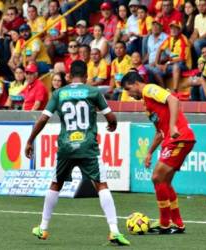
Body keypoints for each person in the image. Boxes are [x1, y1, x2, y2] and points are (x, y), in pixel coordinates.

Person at [26, 60, 130, 246]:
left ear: (68, 76)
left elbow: (43, 118)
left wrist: (30, 140)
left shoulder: (59, 93)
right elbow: (111, 117)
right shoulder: (93, 92)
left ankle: (43, 227)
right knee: (102, 186)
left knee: (55, 184)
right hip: (87, 146)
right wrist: (112, 125)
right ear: (86, 76)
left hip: (66, 146)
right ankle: (114, 230)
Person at [121, 71, 195, 234]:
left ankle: (165, 224)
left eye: (128, 90)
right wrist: (149, 153)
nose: (129, 95)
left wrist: (173, 125)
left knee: (156, 177)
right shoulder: (147, 105)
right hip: (173, 139)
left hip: (179, 137)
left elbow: (173, 100)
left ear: (135, 84)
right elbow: (160, 132)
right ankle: (176, 223)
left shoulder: (149, 89)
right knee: (164, 182)